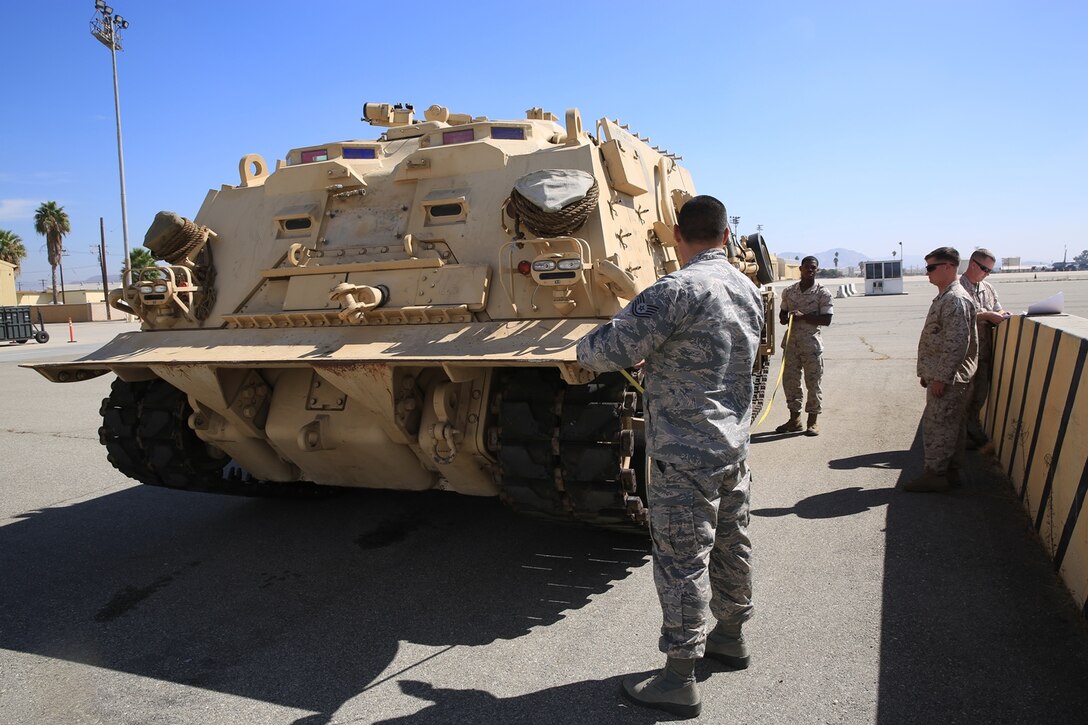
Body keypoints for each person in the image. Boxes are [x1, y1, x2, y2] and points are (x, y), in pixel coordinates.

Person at [576, 195, 764, 718]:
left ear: (677, 237)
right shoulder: (746, 288)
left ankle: (679, 678)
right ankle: (731, 638)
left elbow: (606, 349)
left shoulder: (676, 289)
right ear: (726, 237)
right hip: (732, 446)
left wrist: (579, 352)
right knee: (732, 544)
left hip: (684, 454)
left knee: (681, 562)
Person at [906, 247, 978, 493]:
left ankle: (935, 474)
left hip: (948, 380)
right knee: (952, 427)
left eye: (931, 268)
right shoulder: (947, 296)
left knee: (938, 427)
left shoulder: (955, 299)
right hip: (946, 377)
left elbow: (957, 344)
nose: (927, 273)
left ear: (948, 267)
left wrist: (941, 377)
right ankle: (952, 473)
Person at [775, 255, 833, 436]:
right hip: (791, 344)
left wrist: (804, 316)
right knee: (791, 383)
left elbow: (827, 319)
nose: (810, 270)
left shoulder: (823, 293)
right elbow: (782, 315)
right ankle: (795, 420)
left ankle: (813, 421)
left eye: (813, 267)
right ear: (800, 269)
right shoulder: (789, 291)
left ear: (817, 270)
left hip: (811, 345)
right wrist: (786, 317)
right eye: (807, 267)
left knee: (813, 383)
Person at [959, 248, 1008, 447]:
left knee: (979, 395)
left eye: (990, 271)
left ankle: (971, 431)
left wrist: (1001, 314)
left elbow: (997, 307)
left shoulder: (987, 287)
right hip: (965, 354)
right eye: (985, 269)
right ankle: (961, 437)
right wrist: (986, 316)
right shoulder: (957, 287)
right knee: (963, 398)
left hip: (984, 352)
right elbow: (961, 317)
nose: (987, 273)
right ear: (973, 264)